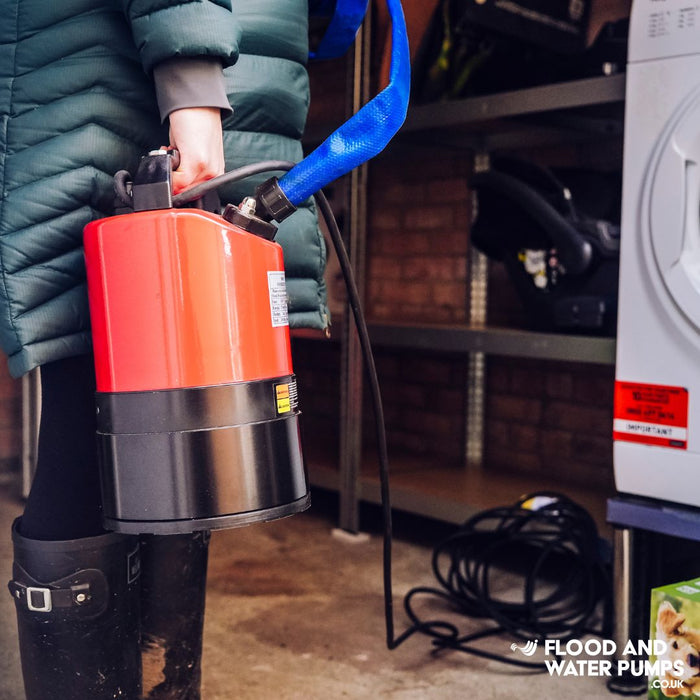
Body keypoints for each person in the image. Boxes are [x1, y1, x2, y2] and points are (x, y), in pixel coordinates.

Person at [0, 1, 329, 698]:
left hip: (181, 85)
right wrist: (192, 81)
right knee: (95, 420)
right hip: (120, 83)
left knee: (179, 466)